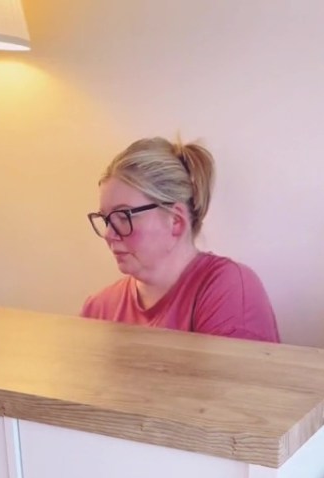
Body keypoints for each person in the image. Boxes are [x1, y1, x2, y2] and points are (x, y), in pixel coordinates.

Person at [81, 137, 280, 342]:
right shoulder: (98, 308)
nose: (108, 234)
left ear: (175, 221)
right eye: (106, 219)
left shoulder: (229, 290)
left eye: (124, 216)